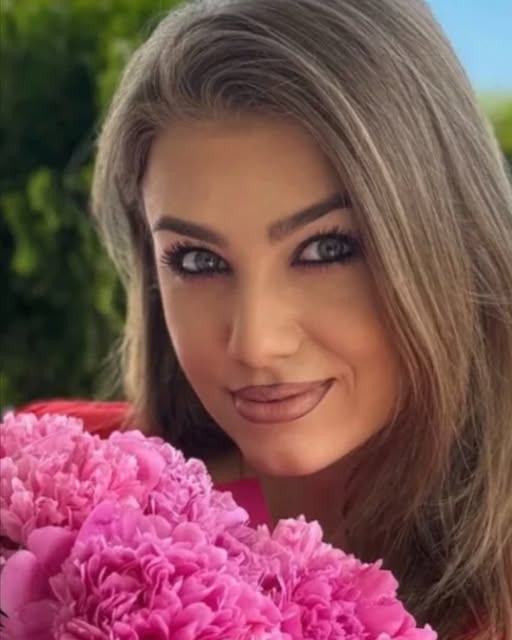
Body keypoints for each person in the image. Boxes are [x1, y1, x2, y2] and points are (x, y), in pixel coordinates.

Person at [22, 0, 512, 637]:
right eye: (198, 260)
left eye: (327, 249)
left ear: (454, 239)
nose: (256, 342)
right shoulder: (49, 491)